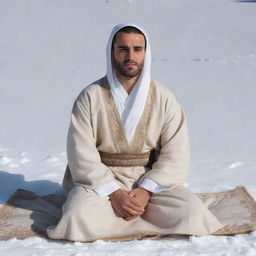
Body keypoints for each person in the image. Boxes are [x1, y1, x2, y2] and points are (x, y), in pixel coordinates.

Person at [47, 23, 223, 242]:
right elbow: (80, 152)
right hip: (100, 183)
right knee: (76, 215)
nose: (130, 56)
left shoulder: (164, 97)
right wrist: (114, 192)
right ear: (112, 52)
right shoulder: (90, 96)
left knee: (193, 213)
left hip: (150, 181)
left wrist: (145, 190)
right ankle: (130, 212)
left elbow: (176, 153)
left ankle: (131, 212)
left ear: (145, 53)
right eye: (123, 49)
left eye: (137, 49)